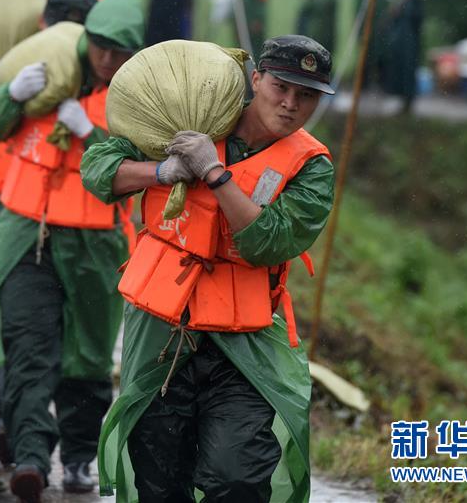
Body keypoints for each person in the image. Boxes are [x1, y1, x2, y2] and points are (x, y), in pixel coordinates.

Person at [81, 35, 336, 503]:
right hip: (164, 330)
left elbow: (270, 242)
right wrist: (161, 172)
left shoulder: (311, 167)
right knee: (159, 473)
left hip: (246, 340)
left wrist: (215, 175)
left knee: (238, 476)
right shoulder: (193, 115)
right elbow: (99, 171)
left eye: (307, 96)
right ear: (255, 79)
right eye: (281, 86)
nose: (290, 104)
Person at [0, 0, 144, 501]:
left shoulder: (135, 100)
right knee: (27, 346)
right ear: (85, 38)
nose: (109, 59)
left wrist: (89, 131)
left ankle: (80, 456)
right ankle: (29, 455)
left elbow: (132, 166)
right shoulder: (45, 71)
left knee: (86, 358)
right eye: (102, 46)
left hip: (94, 241)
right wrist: (9, 95)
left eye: (120, 51)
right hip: (25, 232)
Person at [0, 0, 100, 468]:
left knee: (70, 343)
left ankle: (54, 444)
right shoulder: (19, 60)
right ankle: (11, 427)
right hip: (7, 207)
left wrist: (87, 129)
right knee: (6, 321)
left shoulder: (108, 77)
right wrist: (5, 89)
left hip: (78, 227)